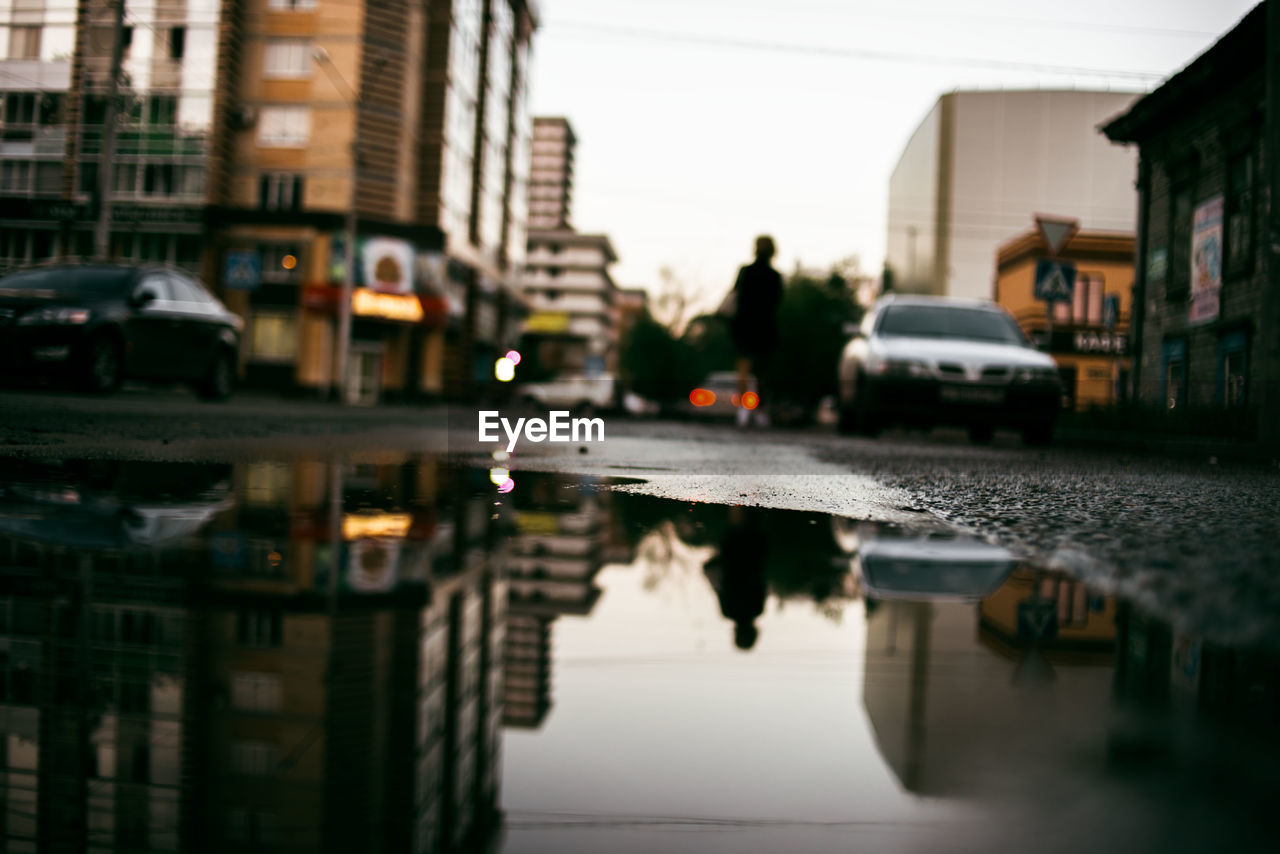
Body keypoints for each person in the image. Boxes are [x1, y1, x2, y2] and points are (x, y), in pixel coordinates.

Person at [729, 235, 783, 426]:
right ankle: (760, 411)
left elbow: (735, 294)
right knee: (762, 372)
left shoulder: (745, 272)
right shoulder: (774, 276)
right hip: (765, 327)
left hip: (744, 326)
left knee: (743, 368)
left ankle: (743, 410)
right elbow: (777, 302)